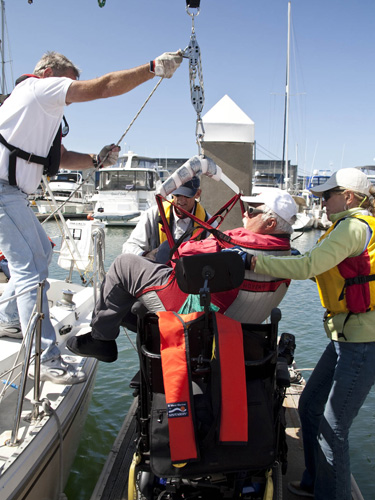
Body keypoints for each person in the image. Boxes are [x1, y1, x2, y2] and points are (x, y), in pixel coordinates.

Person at [0, 50, 183, 384]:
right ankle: (44, 359)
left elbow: (63, 157)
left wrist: (97, 161)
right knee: (31, 267)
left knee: (39, 249)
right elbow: (103, 87)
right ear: (48, 72)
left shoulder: (41, 113)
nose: (70, 93)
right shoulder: (38, 90)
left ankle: (8, 317)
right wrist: (152, 69)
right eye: (68, 82)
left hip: (11, 194)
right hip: (3, 192)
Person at [249, 168, 375, 500]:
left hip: (363, 342)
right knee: (309, 406)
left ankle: (330, 495)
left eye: (327, 196)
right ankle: (315, 483)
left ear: (348, 196)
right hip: (346, 336)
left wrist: (253, 263)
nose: (321, 202)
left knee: (334, 428)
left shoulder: (351, 228)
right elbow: (310, 259)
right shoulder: (350, 227)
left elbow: (307, 267)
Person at [67, 187, 297, 363]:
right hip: (237, 325)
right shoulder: (289, 259)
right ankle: (129, 323)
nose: (245, 214)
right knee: (135, 283)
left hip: (196, 316)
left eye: (252, 210)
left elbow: (183, 254)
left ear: (271, 222)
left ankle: (101, 340)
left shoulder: (236, 245)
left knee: (123, 265)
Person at [122, 176, 216, 263]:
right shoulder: (153, 215)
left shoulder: (209, 223)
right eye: (178, 194)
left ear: (197, 194)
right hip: (158, 274)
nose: (181, 201)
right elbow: (128, 247)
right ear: (171, 192)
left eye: (187, 195)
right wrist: (146, 255)